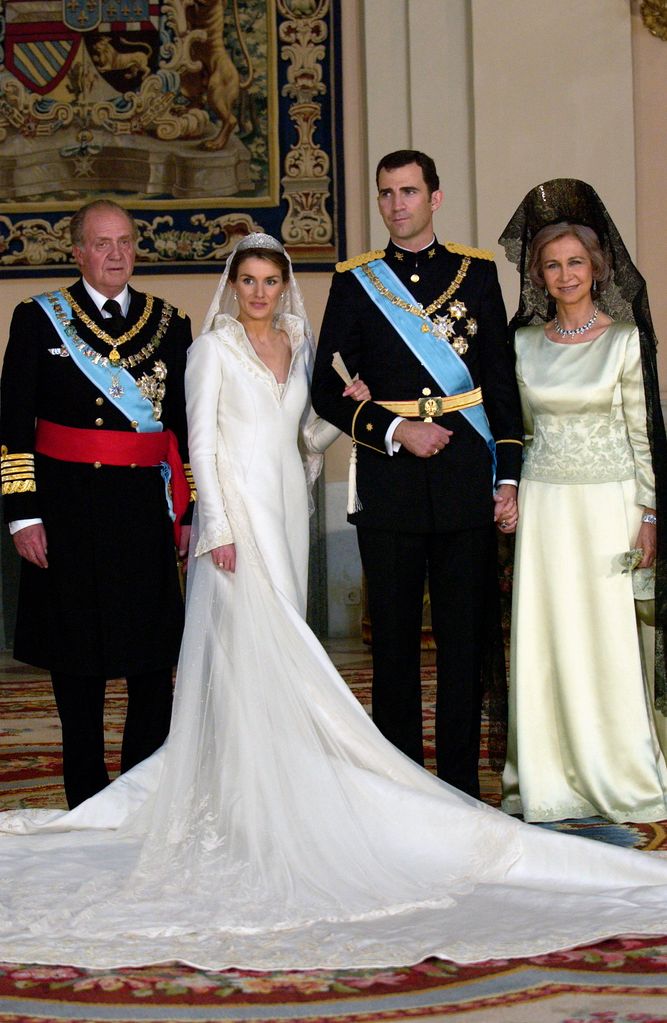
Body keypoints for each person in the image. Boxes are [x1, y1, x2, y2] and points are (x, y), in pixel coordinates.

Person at [1, 233, 667, 972]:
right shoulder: (210, 350)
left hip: (287, 511)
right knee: (251, 653)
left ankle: (273, 777)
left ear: (286, 288)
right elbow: (200, 447)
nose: (259, 292)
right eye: (249, 280)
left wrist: (345, 406)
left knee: (279, 649)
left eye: (271, 281)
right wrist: (214, 525)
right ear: (233, 285)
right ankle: (241, 800)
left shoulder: (295, 346)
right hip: (240, 522)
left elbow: (309, 439)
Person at [311, 150, 524, 797]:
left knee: (462, 648)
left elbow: (501, 387)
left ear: (434, 197)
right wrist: (394, 429)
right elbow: (325, 387)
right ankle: (404, 793)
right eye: (385, 194)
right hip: (389, 484)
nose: (395, 204)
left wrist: (507, 477)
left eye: (407, 191)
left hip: (464, 480)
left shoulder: (476, 274)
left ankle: (458, 791)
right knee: (394, 650)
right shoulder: (356, 281)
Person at [0, 199, 194, 809]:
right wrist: (22, 513)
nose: (116, 254)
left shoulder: (169, 323)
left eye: (126, 242)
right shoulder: (38, 319)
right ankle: (85, 797)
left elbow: (182, 429)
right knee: (76, 662)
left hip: (142, 513)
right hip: (66, 512)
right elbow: (12, 423)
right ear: (78, 251)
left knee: (150, 660)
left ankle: (142, 793)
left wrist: (186, 510)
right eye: (102, 243)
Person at [499, 178, 667, 823]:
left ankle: (620, 770)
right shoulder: (522, 344)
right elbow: (516, 432)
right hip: (547, 508)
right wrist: (508, 489)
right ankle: (547, 776)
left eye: (575, 262)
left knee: (607, 641)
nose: (564, 274)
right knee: (548, 638)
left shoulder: (626, 340)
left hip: (611, 509)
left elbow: (643, 435)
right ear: (538, 275)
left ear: (597, 268)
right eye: (552, 264)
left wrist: (650, 513)